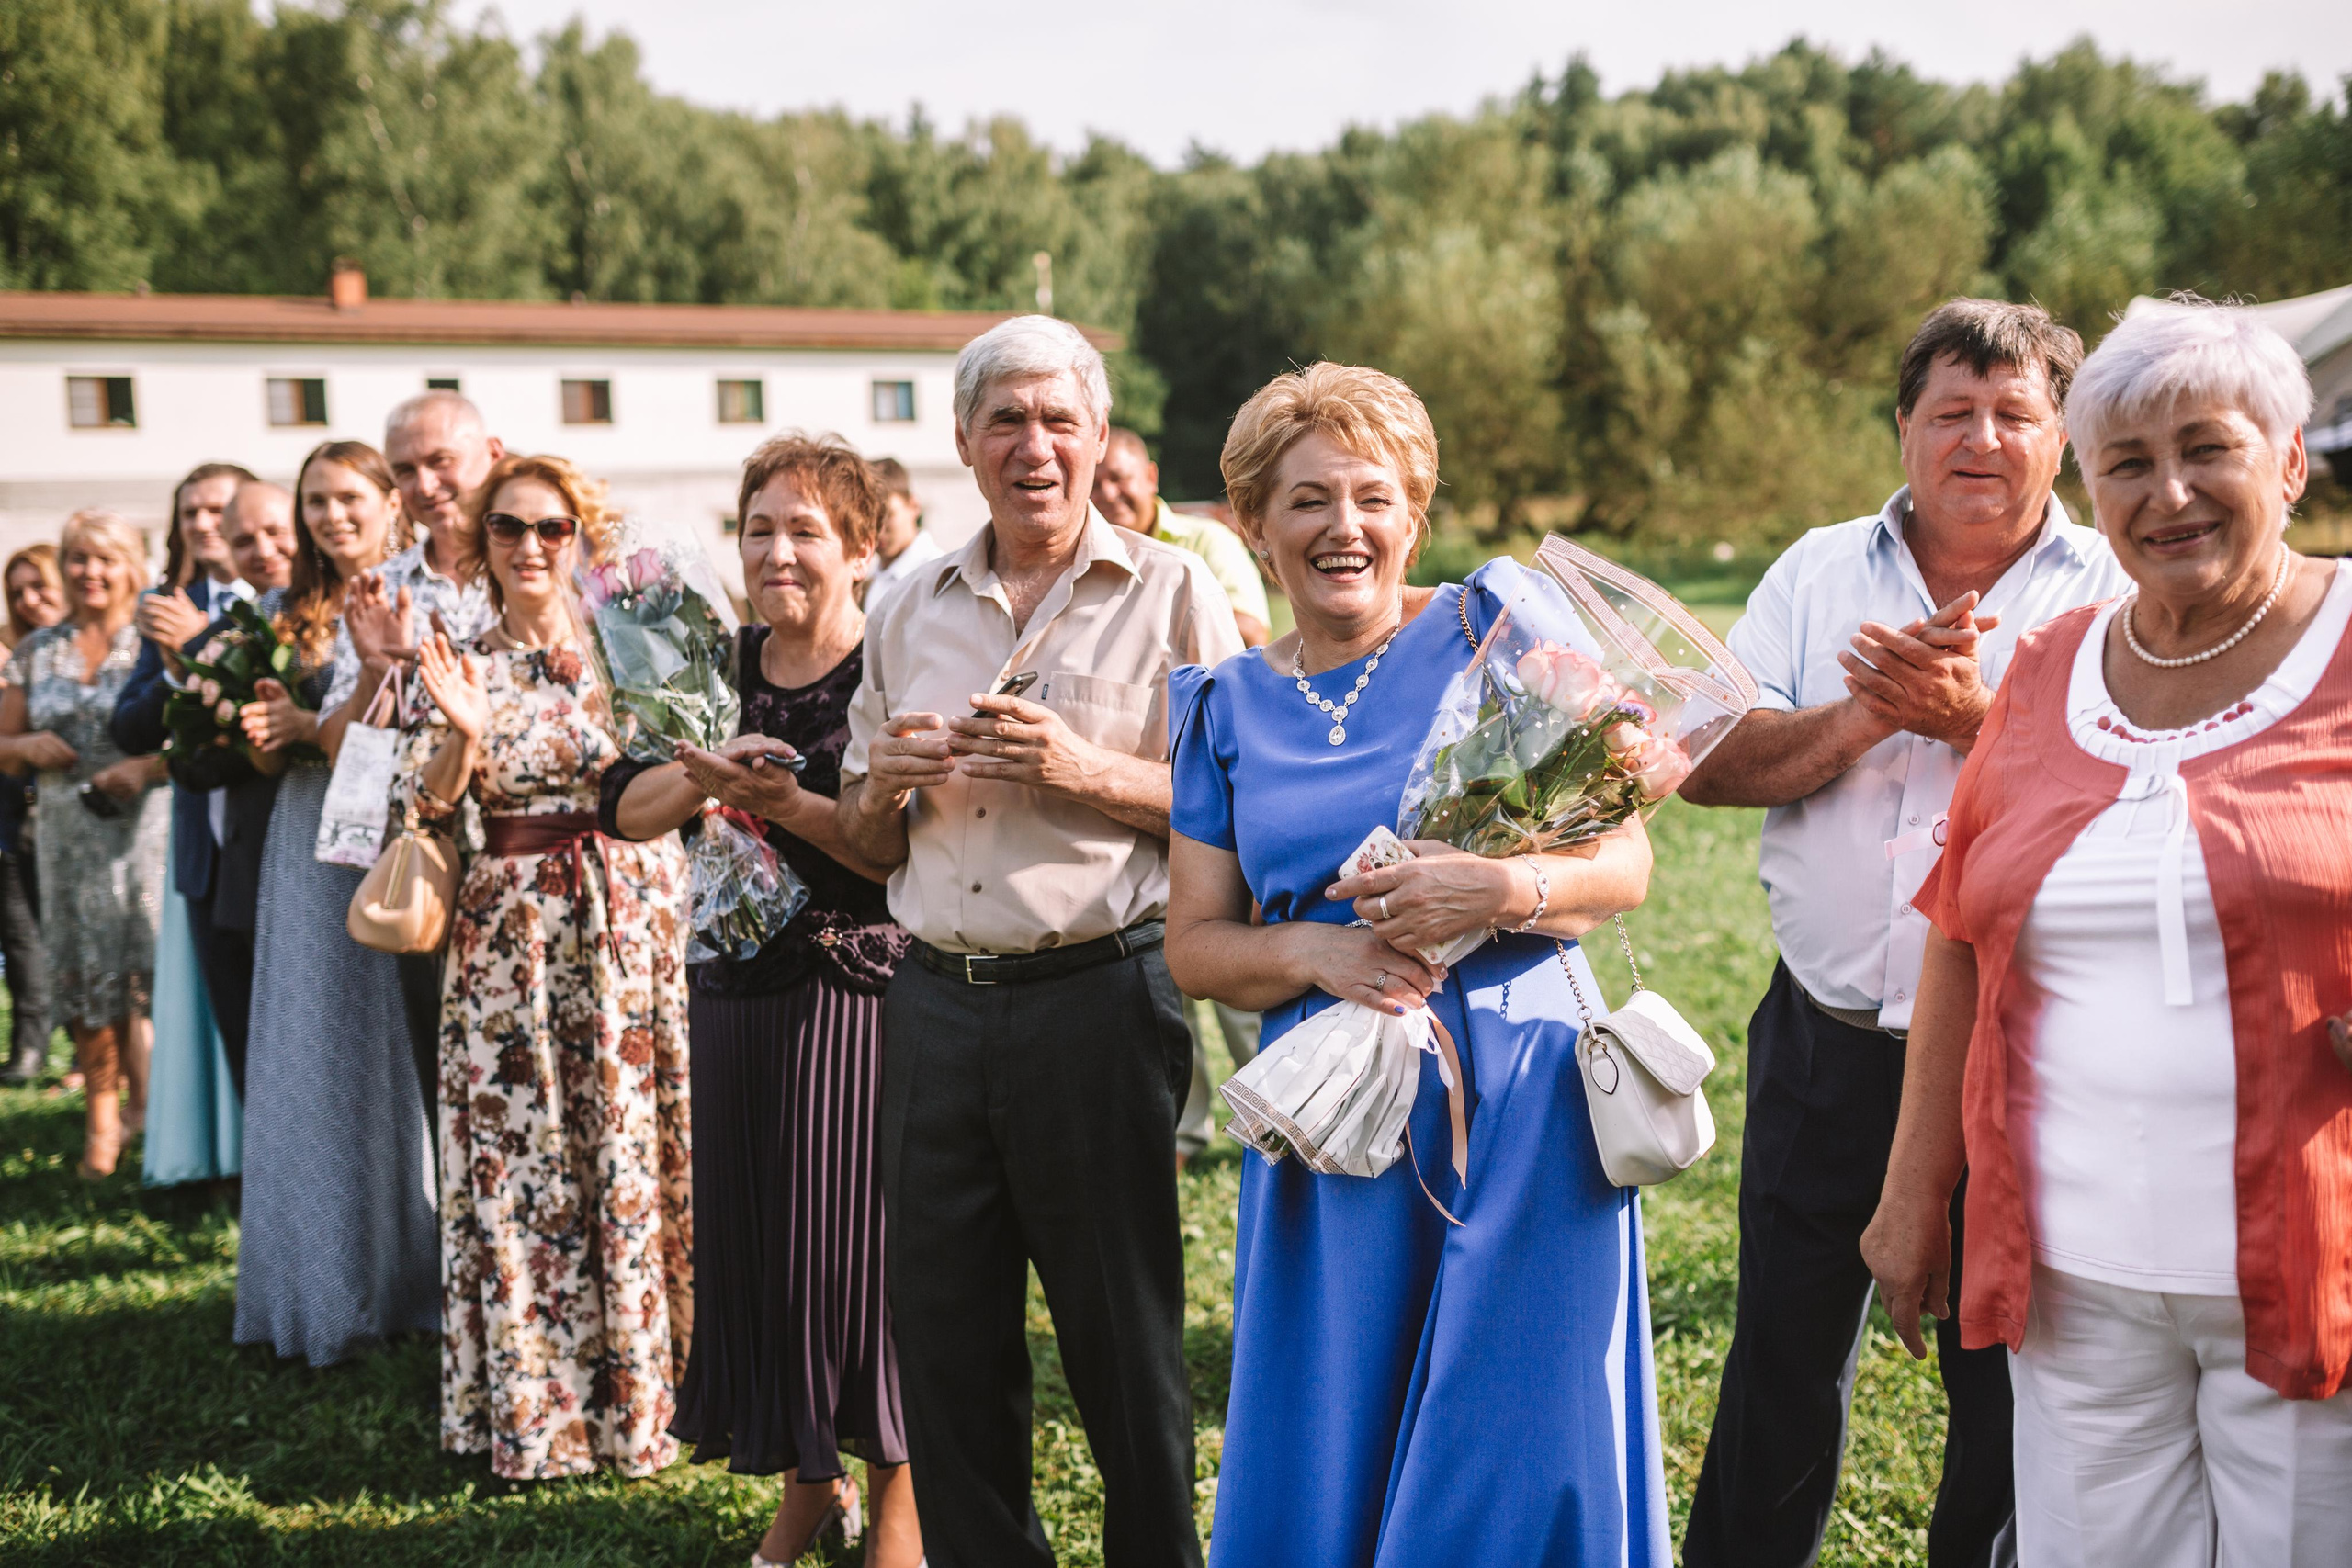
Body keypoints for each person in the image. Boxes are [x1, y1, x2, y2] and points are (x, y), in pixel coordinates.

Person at [1863, 299, 2352, 1567]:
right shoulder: (2048, 664)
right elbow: (1961, 930)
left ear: (2290, 461)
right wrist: (1915, 1193)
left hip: (2313, 1269)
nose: (2169, 491)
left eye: (2209, 449)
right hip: (2074, 1277)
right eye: (2129, 462)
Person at [1160, 363, 1668, 1566]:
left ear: (1415, 511)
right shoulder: (1217, 705)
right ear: (1254, 524)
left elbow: (1625, 856)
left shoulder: (1494, 626)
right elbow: (1196, 942)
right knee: (1339, 1406)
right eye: (1309, 500)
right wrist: (1313, 949)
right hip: (1340, 1108)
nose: (1347, 527)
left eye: (1374, 496)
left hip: (1527, 1091)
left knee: (1527, 1423)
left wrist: (1502, 885)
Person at [1674, 299, 2130, 1568]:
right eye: (1950, 411)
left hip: (2035, 1059)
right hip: (1823, 1042)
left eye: (2013, 413)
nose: (1980, 436)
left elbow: (2149, 792)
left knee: (2005, 1389)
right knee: (1779, 1361)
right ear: (1903, 427)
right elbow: (1705, 758)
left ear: (2064, 436)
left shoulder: (2119, 586)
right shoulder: (1818, 569)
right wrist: (1871, 716)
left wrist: (1973, 716)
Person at [836, 315, 1240, 1568]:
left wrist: (1086, 770)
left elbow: (1244, 812)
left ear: (1101, 437)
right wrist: (884, 785)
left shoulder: (1178, 594)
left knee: (1123, 1341)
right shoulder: (904, 602)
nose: (1035, 445)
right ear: (964, 441)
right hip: (934, 1009)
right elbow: (865, 840)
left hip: (1100, 1001)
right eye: (1006, 420)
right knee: (949, 1345)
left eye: (1060, 419)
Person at [604, 434, 922, 1566]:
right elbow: (626, 809)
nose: (777, 552)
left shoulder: (888, 666)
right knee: (763, 1248)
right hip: (731, 991)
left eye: (805, 531)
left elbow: (896, 862)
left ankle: (898, 1497)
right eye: (758, 530)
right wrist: (697, 772)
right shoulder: (706, 661)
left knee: (860, 1259)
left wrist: (775, 803)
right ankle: (805, 1480)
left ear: (860, 545)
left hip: (857, 996)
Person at [402, 453, 692, 1480]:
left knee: (631, 1148)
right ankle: (543, 1416)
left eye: (552, 528)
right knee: (522, 1168)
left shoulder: (636, 649)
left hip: (634, 922)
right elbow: (423, 813)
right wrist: (463, 737)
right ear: (479, 545)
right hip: (512, 935)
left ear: (582, 537)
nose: (531, 547)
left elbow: (684, 764)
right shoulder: (454, 659)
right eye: (509, 529)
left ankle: (663, 1400)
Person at [232, 441, 438, 1365]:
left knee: (407, 1054)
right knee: (322, 1050)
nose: (330, 516)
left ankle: (418, 1268)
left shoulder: (424, 593)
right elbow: (275, 753)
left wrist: (322, 719)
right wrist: (268, 729)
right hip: (312, 847)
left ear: (389, 501)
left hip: (402, 836)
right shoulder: (289, 611)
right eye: (315, 501)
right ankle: (331, 1278)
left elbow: (383, 725)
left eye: (348, 496)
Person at [1091, 424, 1273, 1168]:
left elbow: (1250, 634)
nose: (1110, 493)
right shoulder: (1087, 567)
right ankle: (1187, 1130)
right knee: (1173, 966)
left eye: (1122, 478)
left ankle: (1273, 1108)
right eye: (1099, 482)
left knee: (1236, 959)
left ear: (1152, 475)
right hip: (1137, 789)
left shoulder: (1202, 545)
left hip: (1215, 773)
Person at [0, 512, 170, 1178]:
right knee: (83, 975)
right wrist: (24, 746)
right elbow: (2, 745)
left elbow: (197, 738)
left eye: (105, 559)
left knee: (145, 971)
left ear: (132, 566)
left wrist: (146, 767)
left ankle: (155, 1111)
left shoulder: (155, 642)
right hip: (66, 832)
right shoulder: (37, 650)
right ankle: (103, 1114)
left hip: (147, 826)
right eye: (77, 559)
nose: (90, 572)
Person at [113, 481, 297, 1090]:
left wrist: (201, 643)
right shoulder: (173, 602)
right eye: (188, 511)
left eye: (217, 511)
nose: (202, 523)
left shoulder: (284, 605)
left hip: (283, 842)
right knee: (241, 1035)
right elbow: (130, 726)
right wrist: (175, 668)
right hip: (207, 854)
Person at [379, 390, 502, 1120]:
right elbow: (344, 739)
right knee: (444, 1049)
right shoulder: (383, 585)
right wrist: (378, 669)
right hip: (434, 854)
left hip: (537, 846)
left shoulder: (544, 564)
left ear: (492, 455)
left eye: (439, 461)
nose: (423, 485)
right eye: (403, 470)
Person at [0, 545, 62, 1085]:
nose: (28, 600)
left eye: (38, 585)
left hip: (91, 817)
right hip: (16, 816)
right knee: (21, 935)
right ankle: (29, 1048)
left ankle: (93, 1058)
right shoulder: (14, 657)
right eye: (17, 592)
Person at [859, 457, 944, 619]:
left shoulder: (938, 577)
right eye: (868, 519)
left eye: (887, 516)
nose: (878, 530)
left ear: (913, 505)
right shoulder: (871, 578)